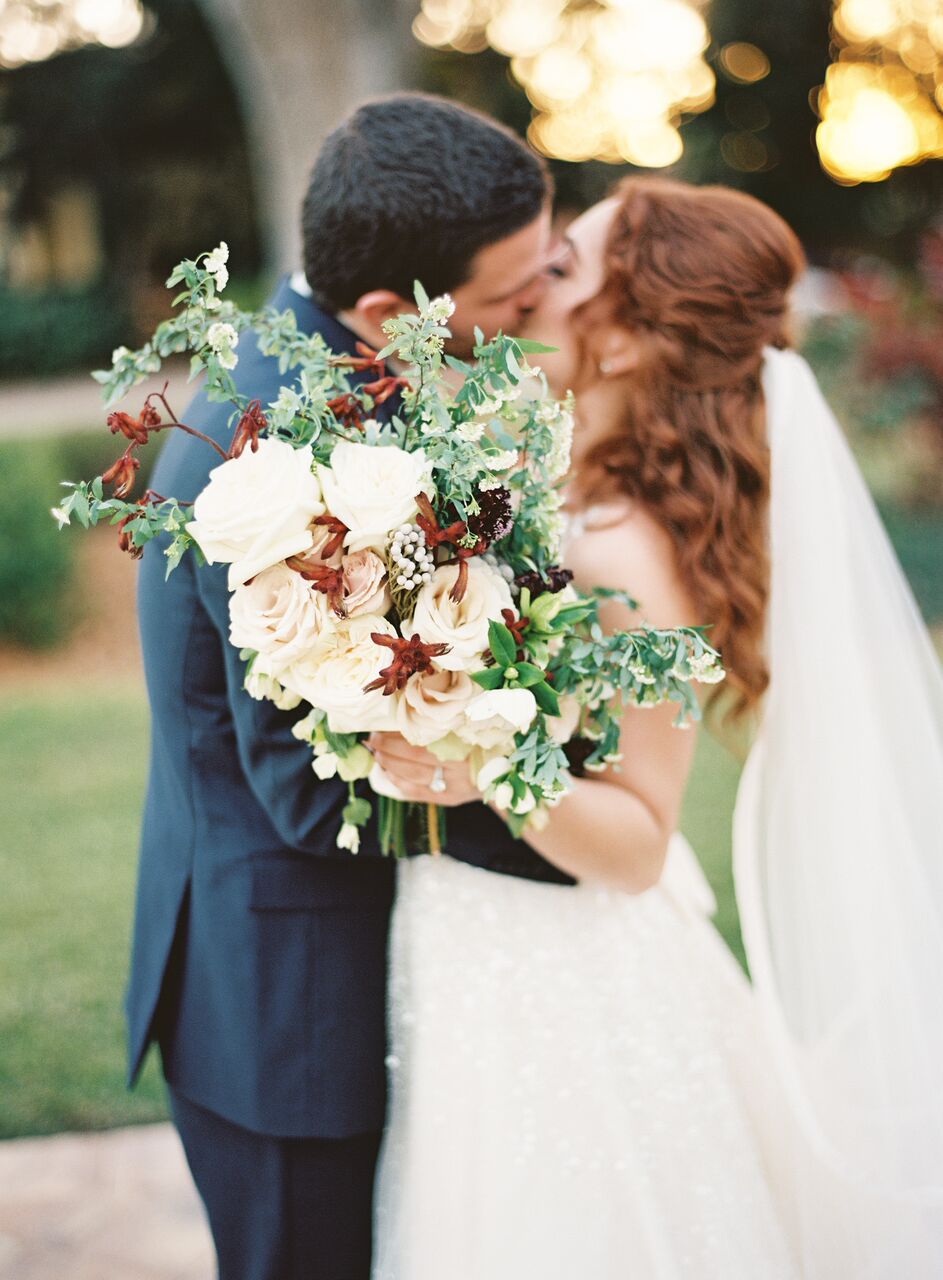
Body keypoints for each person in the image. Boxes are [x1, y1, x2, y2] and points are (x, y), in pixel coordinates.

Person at [369, 178, 943, 1277]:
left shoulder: (622, 551)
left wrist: (482, 755)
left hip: (562, 980)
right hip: (483, 941)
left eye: (561, 269)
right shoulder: (557, 480)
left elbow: (638, 840)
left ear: (626, 340)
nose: (529, 287)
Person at [127, 92, 566, 1280]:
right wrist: (567, 826)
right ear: (387, 311)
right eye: (516, 288)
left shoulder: (324, 377)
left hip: (299, 980)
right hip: (287, 1019)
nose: (542, 300)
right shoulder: (281, 463)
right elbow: (312, 793)